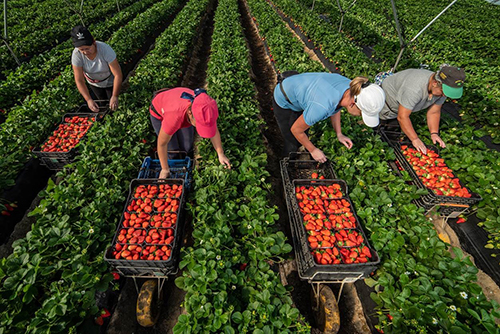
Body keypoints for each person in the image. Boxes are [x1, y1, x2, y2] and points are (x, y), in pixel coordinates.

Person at [273, 72, 386, 163]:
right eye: (361, 114)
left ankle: (301, 150)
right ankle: (286, 163)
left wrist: (339, 134)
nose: (360, 117)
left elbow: (335, 108)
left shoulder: (350, 89)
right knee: (292, 140)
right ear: (352, 104)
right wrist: (313, 150)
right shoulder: (322, 106)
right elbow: (296, 129)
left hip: (302, 89)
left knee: (304, 132)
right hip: (285, 98)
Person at [378, 64, 465, 154]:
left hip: (398, 110)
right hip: (383, 104)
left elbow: (434, 112)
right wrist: (415, 139)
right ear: (435, 83)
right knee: (375, 133)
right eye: (443, 92)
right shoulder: (414, 88)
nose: (444, 96)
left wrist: (434, 133)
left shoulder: (441, 89)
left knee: (390, 138)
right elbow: (402, 117)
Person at [149, 87, 231, 178]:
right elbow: (162, 144)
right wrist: (164, 169)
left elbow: (214, 130)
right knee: (172, 149)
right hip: (160, 110)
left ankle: (187, 167)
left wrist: (221, 154)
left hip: (178, 105)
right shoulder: (174, 116)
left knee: (187, 146)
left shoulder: (207, 109)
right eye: (199, 124)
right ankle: (174, 169)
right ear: (190, 113)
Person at [71, 25, 122, 112]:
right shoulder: (76, 54)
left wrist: (115, 96)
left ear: (94, 43)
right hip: (94, 83)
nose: (85, 52)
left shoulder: (105, 49)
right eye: (81, 49)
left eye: (87, 48)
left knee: (113, 105)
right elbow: (79, 80)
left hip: (109, 80)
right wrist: (88, 100)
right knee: (102, 104)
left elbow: (117, 74)